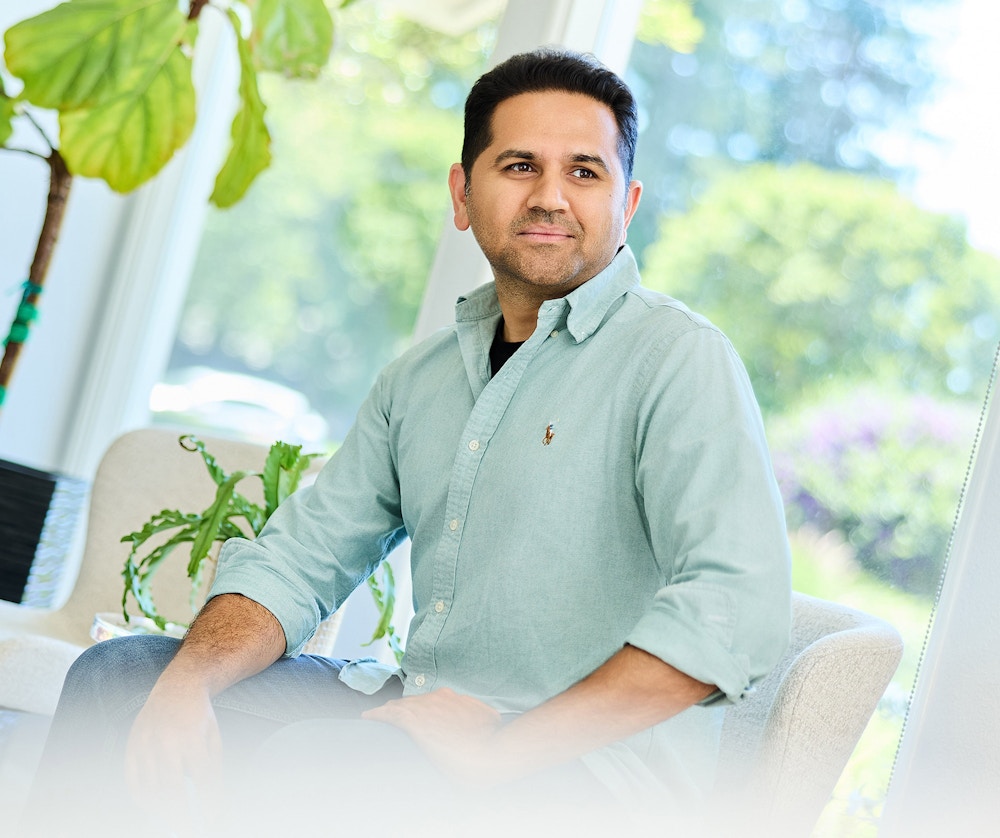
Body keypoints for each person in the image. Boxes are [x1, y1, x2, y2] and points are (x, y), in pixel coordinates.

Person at [28, 47, 791, 836]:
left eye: (584, 172)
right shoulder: (420, 379)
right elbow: (301, 558)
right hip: (425, 712)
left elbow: (734, 606)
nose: (551, 196)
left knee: (324, 763)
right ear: (463, 194)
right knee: (122, 679)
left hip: (592, 773)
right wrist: (188, 681)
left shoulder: (678, 360)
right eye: (520, 166)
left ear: (626, 203)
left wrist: (501, 749)